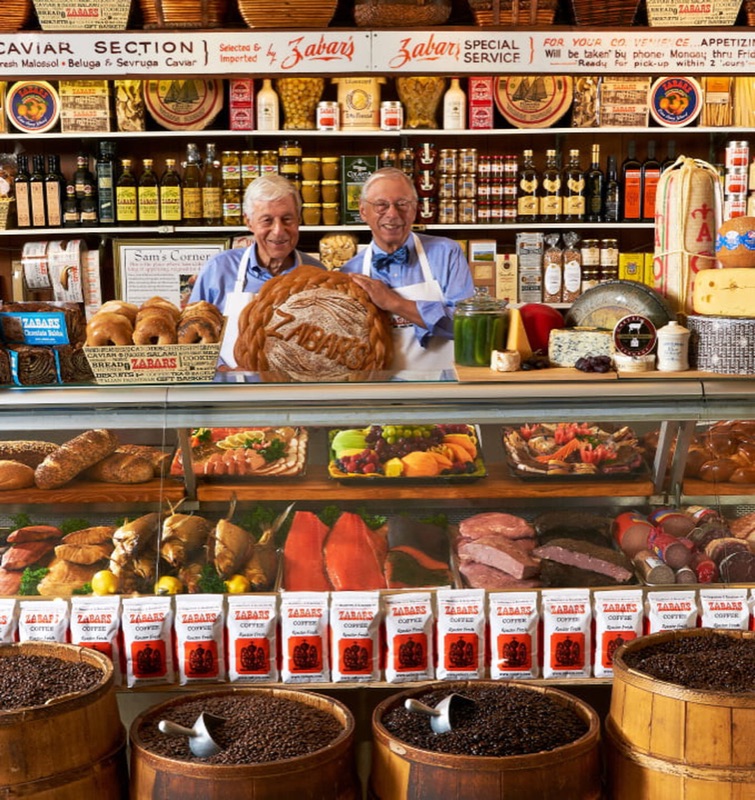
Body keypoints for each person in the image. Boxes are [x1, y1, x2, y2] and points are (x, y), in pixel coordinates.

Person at [339, 167, 474, 376]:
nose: (392, 214)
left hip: (446, 392)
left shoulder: (446, 253)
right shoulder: (350, 272)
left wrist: (393, 302)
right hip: (381, 396)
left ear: (415, 209)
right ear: (363, 211)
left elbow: (466, 326)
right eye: (381, 205)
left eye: (402, 204)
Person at [190, 173, 324, 367]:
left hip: (296, 392)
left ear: (299, 220)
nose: (278, 231)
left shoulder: (318, 274)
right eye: (267, 221)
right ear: (248, 222)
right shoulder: (219, 269)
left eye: (287, 219)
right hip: (229, 390)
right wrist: (218, 367)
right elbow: (191, 335)